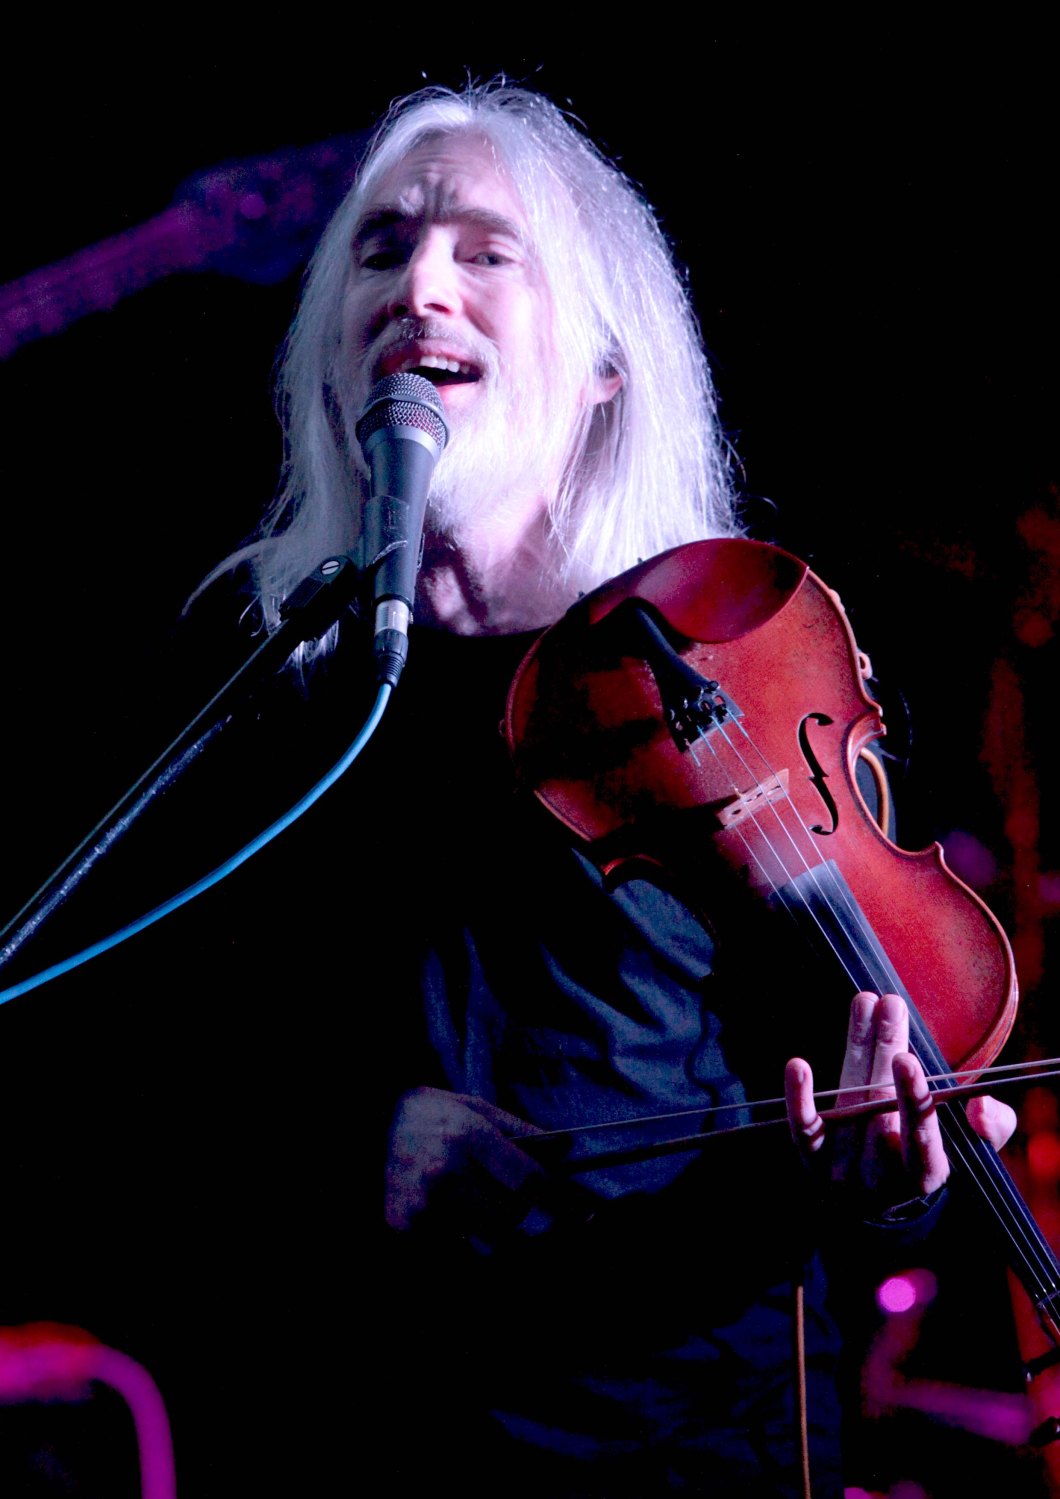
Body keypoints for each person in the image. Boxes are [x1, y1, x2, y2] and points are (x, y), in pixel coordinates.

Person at [206, 81, 1019, 1496]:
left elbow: (882, 1149)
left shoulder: (725, 691)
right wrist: (354, 1152)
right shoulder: (265, 697)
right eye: (382, 249)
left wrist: (890, 1180)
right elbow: (150, 1088)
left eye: (485, 251)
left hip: (691, 1452)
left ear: (602, 362)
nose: (420, 287)